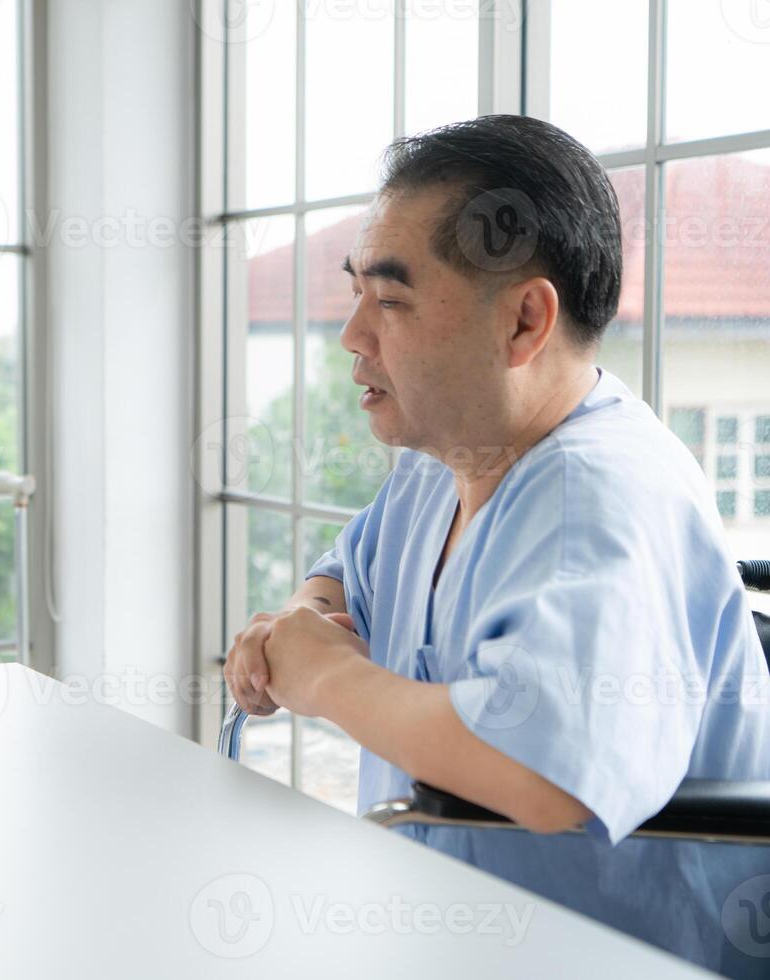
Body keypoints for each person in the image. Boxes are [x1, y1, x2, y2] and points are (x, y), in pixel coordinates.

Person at [223, 114, 770, 976]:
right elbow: (345, 580)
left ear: (523, 322)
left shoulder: (603, 495)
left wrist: (324, 676)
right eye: (357, 292)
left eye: (392, 300)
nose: (353, 336)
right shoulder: (442, 458)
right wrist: (302, 621)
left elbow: (543, 770)